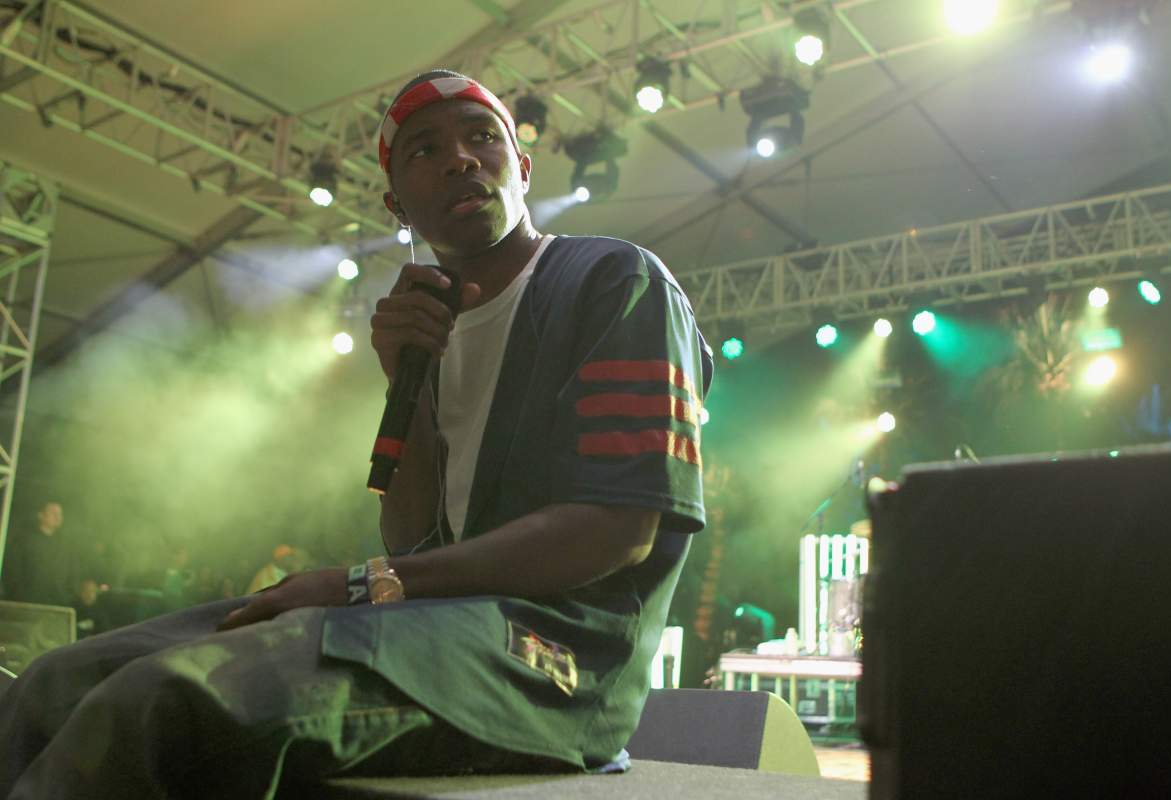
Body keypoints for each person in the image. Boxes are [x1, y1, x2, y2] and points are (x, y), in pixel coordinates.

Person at [0, 70, 711, 798]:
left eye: (482, 138)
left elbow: (618, 529)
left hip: (555, 662)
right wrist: (404, 379)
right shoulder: (426, 323)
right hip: (438, 627)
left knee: (164, 700)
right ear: (396, 204)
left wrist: (362, 584)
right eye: (425, 151)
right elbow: (410, 538)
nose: (461, 159)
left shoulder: (613, 279)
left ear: (523, 168)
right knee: (56, 680)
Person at [1, 501, 71, 606]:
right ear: (41, 515)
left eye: (60, 514)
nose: (57, 517)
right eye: (53, 513)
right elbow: (12, 571)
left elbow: (70, 574)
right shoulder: (24, 540)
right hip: (26, 604)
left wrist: (65, 596)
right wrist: (20, 597)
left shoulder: (64, 545)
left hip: (55, 605)